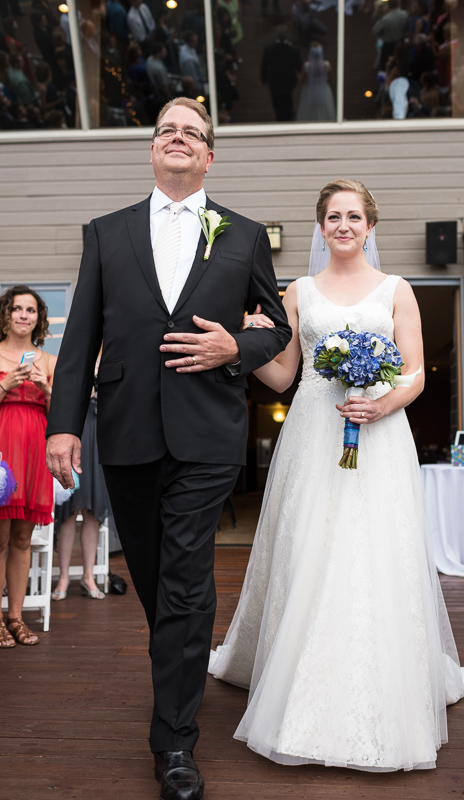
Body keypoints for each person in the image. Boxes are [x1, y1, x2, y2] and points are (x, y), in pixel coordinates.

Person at [45, 97, 292, 800]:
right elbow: (80, 336)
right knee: (157, 578)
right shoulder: (106, 232)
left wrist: (234, 346)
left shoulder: (244, 235)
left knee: (185, 575)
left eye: (192, 132)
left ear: (209, 156)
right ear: (152, 149)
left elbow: (277, 327)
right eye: (167, 130)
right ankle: (182, 658)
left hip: (207, 432)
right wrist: (64, 424)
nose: (178, 138)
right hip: (126, 428)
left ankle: (175, 741)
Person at [209, 178, 464, 771]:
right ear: (321, 226)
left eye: (354, 217)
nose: (343, 226)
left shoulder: (397, 289)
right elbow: (283, 377)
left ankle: (388, 674)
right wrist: (248, 343)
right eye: (333, 217)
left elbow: (415, 373)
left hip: (380, 435)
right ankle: (299, 672)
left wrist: (383, 405)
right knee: (312, 543)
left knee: (375, 546)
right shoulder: (298, 291)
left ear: (370, 226)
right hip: (313, 431)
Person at [0, 286, 56, 648]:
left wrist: (45, 389)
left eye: (30, 310)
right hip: (2, 453)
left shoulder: (49, 361)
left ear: (38, 318)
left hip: (35, 451)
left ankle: (16, 618)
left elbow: (63, 414)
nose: (23, 315)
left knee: (22, 538)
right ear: (6, 314)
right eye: (17, 308)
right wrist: (5, 385)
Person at [52, 382, 116, 602]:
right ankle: (63, 577)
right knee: (68, 511)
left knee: (92, 512)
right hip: (74, 429)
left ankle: (88, 576)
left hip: (99, 433)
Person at [261, 25, 302, 122]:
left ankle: (279, 118)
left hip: (274, 81)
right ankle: (288, 117)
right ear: (287, 35)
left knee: (276, 102)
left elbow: (264, 66)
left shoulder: (268, 49)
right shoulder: (294, 50)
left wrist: (264, 79)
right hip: (289, 81)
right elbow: (299, 67)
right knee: (288, 99)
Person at [296, 42, 335, 122]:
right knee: (324, 109)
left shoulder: (307, 65)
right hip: (324, 89)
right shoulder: (327, 64)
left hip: (309, 90)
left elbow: (303, 80)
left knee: (308, 110)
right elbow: (330, 78)